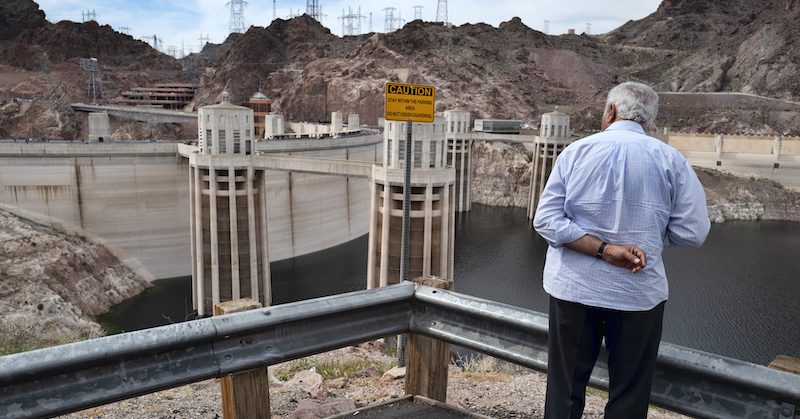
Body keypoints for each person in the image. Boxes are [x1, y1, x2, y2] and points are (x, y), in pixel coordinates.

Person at [533, 82, 710, 419]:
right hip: (637, 294)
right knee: (629, 396)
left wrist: (603, 249)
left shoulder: (577, 152)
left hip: (574, 290)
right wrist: (651, 237)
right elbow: (693, 233)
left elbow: (546, 220)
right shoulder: (671, 160)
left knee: (564, 390)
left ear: (611, 111)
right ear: (650, 123)